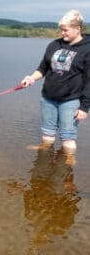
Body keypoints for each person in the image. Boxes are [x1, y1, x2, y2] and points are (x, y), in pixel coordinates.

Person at [21, 9, 90, 154]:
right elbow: (43, 68)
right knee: (47, 133)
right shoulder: (54, 44)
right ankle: (45, 154)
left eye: (65, 30)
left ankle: (69, 161)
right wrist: (31, 78)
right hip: (48, 98)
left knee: (68, 137)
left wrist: (84, 107)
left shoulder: (87, 48)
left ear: (78, 29)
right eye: (61, 30)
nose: (62, 33)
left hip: (70, 100)